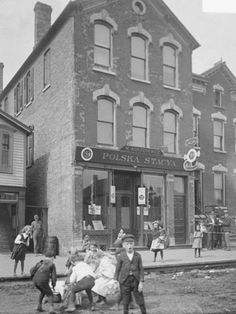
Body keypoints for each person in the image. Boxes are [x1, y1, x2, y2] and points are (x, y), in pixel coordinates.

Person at [114, 234, 146, 314]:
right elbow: (117, 269)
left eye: (131, 243)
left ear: (134, 244)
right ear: (124, 245)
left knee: (140, 299)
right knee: (125, 301)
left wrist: (141, 282)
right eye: (127, 244)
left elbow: (141, 269)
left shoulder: (137, 256)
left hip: (135, 280)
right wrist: (116, 281)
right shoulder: (121, 256)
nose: (129, 246)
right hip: (124, 281)